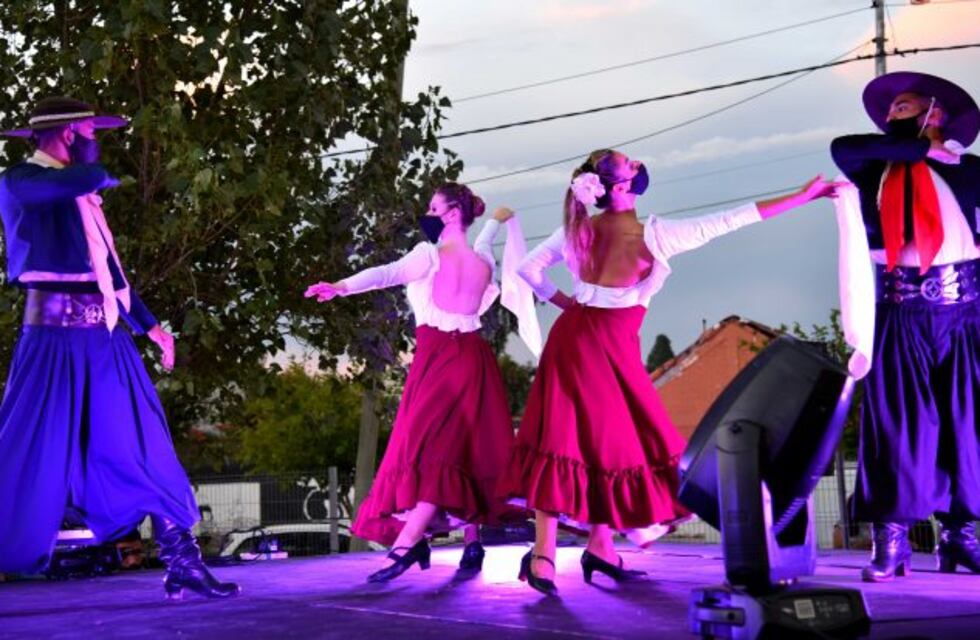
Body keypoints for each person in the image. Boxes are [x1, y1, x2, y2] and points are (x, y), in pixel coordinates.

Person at [500, 148, 838, 595]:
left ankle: (584, 549)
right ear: (620, 186)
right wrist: (802, 197)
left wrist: (565, 304)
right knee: (611, 442)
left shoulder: (576, 229)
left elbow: (528, 269)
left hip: (572, 340)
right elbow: (731, 219)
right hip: (612, 349)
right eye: (631, 163)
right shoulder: (655, 235)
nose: (639, 163)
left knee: (568, 440)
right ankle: (553, 555)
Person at [0, 96, 239, 599]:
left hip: (105, 340)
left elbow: (110, 275)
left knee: (147, 445)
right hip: (50, 343)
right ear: (67, 134)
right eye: (88, 132)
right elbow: (82, 178)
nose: (95, 141)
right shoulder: (21, 180)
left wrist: (150, 327)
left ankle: (183, 562)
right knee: (24, 454)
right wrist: (92, 166)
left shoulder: (81, 193)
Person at [306, 183, 538, 582]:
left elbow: (386, 274)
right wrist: (496, 225)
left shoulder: (428, 256)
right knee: (455, 451)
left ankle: (407, 543)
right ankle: (446, 541)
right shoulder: (483, 261)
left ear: (450, 214)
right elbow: (479, 244)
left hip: (438, 362)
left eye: (433, 207)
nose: (426, 213)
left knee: (433, 453)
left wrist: (342, 285)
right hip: (474, 361)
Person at [830, 72, 980, 582]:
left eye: (906, 105)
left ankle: (960, 535)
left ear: (936, 113)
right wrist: (909, 142)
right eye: (893, 108)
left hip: (966, 311)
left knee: (969, 426)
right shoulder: (873, 166)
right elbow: (842, 147)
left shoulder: (971, 170)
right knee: (901, 425)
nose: (894, 112)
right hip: (902, 310)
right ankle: (890, 539)